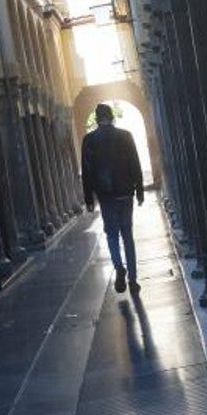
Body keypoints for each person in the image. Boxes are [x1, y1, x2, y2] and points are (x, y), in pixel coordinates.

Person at [82, 103, 145, 294]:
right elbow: (135, 162)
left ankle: (119, 267)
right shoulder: (125, 136)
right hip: (125, 192)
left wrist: (89, 198)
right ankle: (133, 280)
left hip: (106, 194)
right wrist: (140, 189)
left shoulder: (89, 140)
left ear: (97, 119)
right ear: (111, 117)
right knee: (127, 235)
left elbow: (87, 171)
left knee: (111, 234)